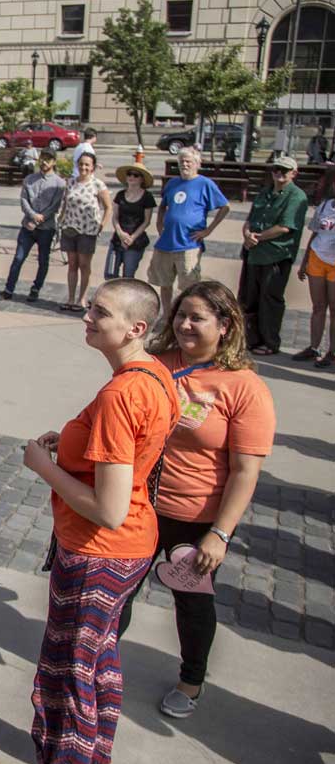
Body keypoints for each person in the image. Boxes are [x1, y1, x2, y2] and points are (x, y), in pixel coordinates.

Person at [18, 278, 179, 764]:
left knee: (68, 673)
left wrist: (44, 467)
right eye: (89, 306)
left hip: (97, 549)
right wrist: (66, 446)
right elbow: (124, 458)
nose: (87, 315)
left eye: (100, 311)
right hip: (131, 546)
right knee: (101, 656)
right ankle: (98, 760)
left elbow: (107, 507)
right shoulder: (153, 375)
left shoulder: (121, 393)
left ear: (136, 328)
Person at [117, 280, 274, 726]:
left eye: (197, 318)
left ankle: (191, 680)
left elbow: (246, 471)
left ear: (225, 326)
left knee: (192, 604)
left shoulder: (244, 388)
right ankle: (99, 660)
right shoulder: (157, 364)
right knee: (119, 591)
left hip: (197, 520)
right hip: (141, 506)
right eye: (181, 314)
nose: (185, 324)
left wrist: (220, 534)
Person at [237, 155, 309, 356]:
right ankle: (251, 339)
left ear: (294, 173)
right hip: (254, 254)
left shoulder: (296, 196)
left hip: (276, 255)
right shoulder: (264, 192)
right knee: (249, 298)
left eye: (284, 170)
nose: (279, 173)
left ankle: (270, 342)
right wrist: (247, 234)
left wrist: (257, 238)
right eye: (276, 169)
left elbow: (285, 227)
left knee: (270, 300)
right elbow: (250, 219)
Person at [149, 147, 230, 309]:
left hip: (189, 244)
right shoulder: (172, 183)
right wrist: (159, 224)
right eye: (181, 161)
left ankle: (184, 313)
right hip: (166, 242)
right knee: (165, 283)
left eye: (188, 162)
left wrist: (208, 230)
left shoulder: (205, 184)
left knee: (189, 286)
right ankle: (166, 315)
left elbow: (225, 207)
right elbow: (163, 206)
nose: (184, 165)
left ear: (197, 164)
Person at [1, 149, 66, 301]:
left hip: (46, 228)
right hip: (27, 226)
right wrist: (32, 215)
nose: (44, 162)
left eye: (48, 159)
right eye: (43, 158)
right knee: (18, 258)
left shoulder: (59, 183)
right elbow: (24, 200)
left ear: (54, 162)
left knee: (43, 260)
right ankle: (8, 289)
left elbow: (55, 206)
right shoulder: (29, 179)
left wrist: (40, 218)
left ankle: (36, 288)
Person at [56, 152, 112, 311]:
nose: (83, 167)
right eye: (81, 164)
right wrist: (60, 220)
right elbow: (65, 203)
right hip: (70, 228)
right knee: (72, 264)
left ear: (93, 167)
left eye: (87, 164)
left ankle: (82, 298)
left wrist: (102, 225)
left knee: (84, 265)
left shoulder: (98, 184)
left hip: (88, 230)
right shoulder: (71, 182)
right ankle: (71, 298)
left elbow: (108, 208)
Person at [294, 167, 335, 367]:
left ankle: (332, 352)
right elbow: (315, 233)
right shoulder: (325, 205)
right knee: (318, 307)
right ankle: (313, 347)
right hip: (318, 258)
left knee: (334, 310)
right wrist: (304, 262)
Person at [103, 163, 157, 281]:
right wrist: (120, 233)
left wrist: (132, 238)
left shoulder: (147, 197)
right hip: (117, 241)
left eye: (136, 175)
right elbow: (115, 217)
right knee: (110, 274)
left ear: (142, 179)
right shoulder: (120, 195)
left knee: (128, 276)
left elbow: (147, 221)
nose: (132, 177)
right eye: (129, 174)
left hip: (135, 242)